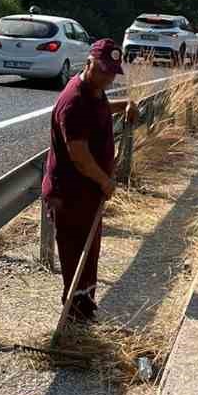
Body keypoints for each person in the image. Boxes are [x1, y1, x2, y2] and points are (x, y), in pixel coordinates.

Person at [41, 38, 137, 322]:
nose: (107, 77)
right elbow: (79, 155)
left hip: (88, 193)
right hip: (70, 194)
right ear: (89, 63)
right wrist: (105, 182)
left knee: (89, 252)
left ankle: (84, 306)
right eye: (103, 70)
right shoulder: (74, 102)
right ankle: (74, 316)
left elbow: (102, 110)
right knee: (75, 255)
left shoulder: (94, 92)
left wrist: (126, 104)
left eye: (112, 72)